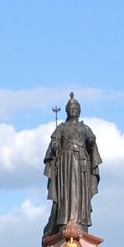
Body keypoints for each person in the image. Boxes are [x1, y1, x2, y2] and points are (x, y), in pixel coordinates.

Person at [43, 92, 101, 236]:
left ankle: (81, 220)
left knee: (80, 191)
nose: (73, 110)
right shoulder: (61, 127)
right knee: (66, 191)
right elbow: (54, 142)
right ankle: (64, 220)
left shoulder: (85, 128)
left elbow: (91, 142)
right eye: (70, 108)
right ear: (66, 110)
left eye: (75, 108)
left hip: (81, 164)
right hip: (65, 164)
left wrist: (91, 141)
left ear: (79, 111)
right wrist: (55, 145)